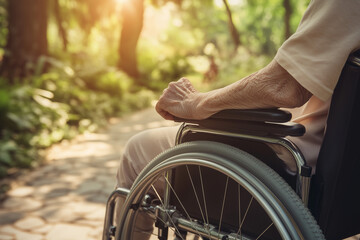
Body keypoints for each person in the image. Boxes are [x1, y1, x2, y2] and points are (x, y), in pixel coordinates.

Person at [115, 0, 360, 239]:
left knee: (137, 149)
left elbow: (283, 86)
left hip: (296, 171)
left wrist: (198, 103)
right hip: (349, 192)